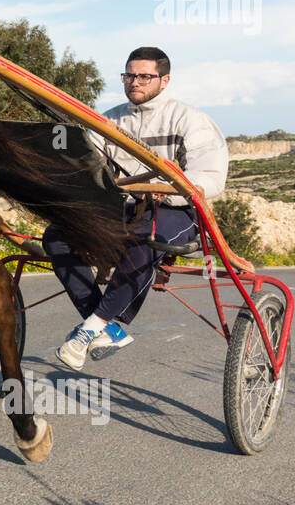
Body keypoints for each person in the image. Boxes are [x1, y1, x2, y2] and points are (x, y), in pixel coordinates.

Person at [45, 46, 229, 371]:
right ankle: (107, 328)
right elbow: (89, 166)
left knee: (146, 236)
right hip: (122, 210)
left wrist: (172, 189)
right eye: (129, 75)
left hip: (177, 211)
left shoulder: (190, 119)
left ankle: (92, 327)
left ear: (165, 79)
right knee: (58, 235)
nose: (135, 82)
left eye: (145, 76)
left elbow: (210, 177)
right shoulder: (109, 121)